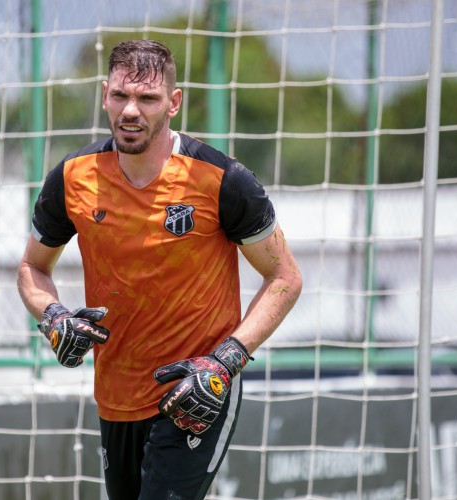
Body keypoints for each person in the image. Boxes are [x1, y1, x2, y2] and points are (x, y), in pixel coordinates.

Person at [17, 39, 302, 500]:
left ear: (173, 102)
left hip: (197, 393)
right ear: (104, 93)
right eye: (121, 96)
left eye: (147, 99)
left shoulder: (223, 180)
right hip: (115, 397)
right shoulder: (72, 177)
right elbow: (32, 267)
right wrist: (52, 315)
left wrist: (224, 361)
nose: (131, 111)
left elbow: (285, 278)